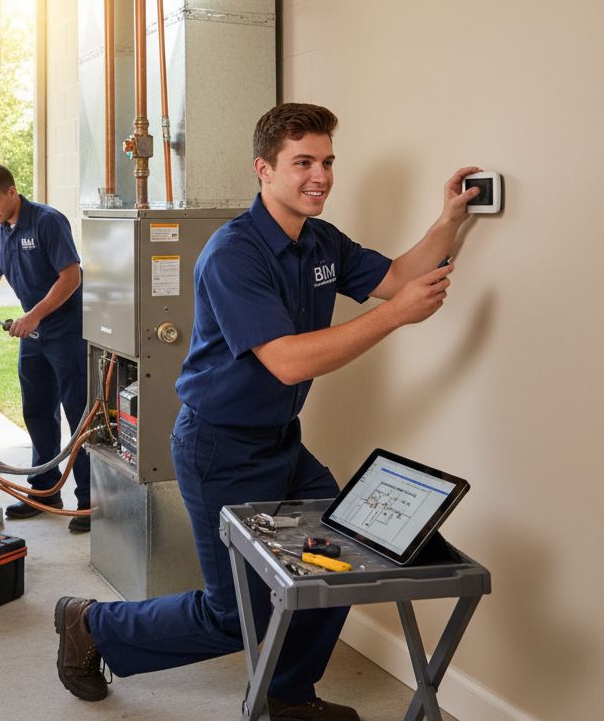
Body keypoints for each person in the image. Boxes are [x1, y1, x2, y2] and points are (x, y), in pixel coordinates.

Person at [54, 103, 481, 720]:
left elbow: (396, 276)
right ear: (264, 169)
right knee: (235, 617)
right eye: (303, 162)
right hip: (218, 446)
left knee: (336, 559)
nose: (321, 176)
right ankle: (90, 624)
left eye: (328, 161)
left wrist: (448, 219)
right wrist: (395, 316)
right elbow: (287, 361)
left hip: (282, 441)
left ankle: (286, 695)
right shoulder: (234, 254)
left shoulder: (318, 241)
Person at [0, 164, 90, 533]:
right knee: (37, 410)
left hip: (67, 328)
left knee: (80, 415)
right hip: (34, 331)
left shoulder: (47, 221)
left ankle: (91, 502)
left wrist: (35, 316)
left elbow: (70, 277)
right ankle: (45, 492)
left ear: (12, 192)